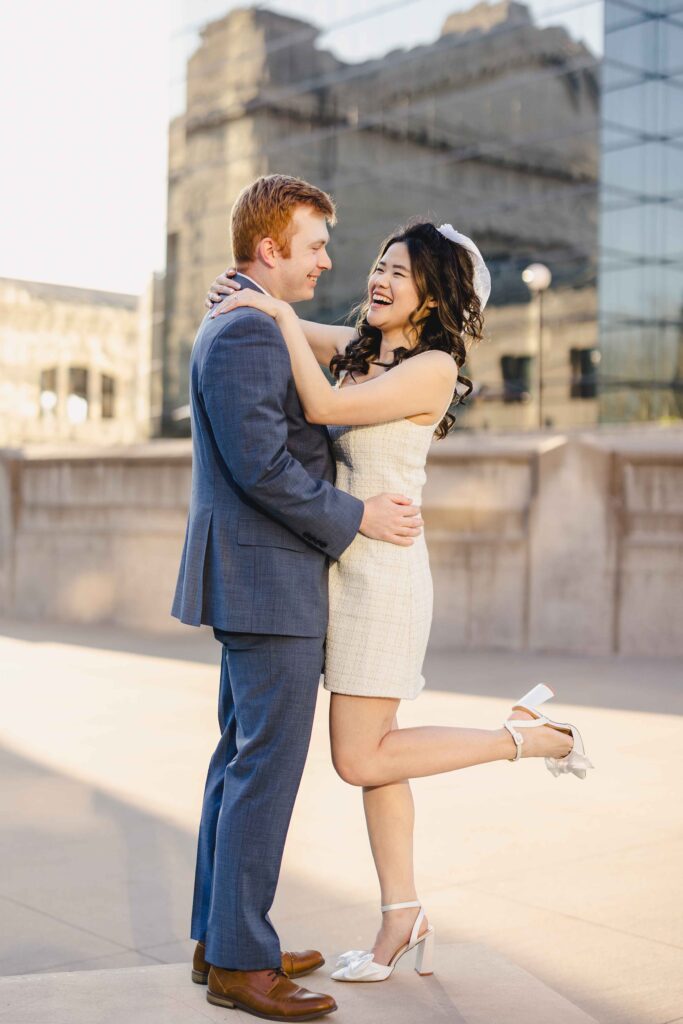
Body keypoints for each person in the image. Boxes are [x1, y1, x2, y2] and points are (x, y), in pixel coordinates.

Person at [206, 219, 594, 984]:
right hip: (346, 563)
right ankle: (399, 917)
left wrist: (277, 315)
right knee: (382, 761)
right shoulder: (362, 348)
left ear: (431, 296)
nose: (378, 281)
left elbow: (316, 406)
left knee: (359, 757)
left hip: (383, 574)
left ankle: (521, 735)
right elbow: (292, 325)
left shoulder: (433, 367)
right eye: (378, 267)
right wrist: (254, 298)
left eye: (400, 275)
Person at [172, 174, 424, 1022]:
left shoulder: (249, 323)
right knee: (261, 771)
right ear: (270, 249)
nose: (326, 261)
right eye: (314, 246)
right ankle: (241, 963)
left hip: (256, 577)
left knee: (237, 762)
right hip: (267, 578)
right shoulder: (245, 334)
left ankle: (223, 937)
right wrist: (357, 518)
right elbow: (264, 469)